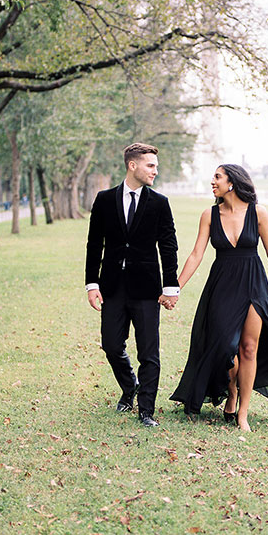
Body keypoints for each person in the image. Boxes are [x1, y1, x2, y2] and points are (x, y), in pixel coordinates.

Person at [170, 164, 268, 432]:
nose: (213, 181)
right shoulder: (209, 215)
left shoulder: (258, 213)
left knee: (248, 348)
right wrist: (176, 287)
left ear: (232, 182)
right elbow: (196, 254)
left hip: (254, 284)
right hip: (222, 285)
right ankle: (231, 389)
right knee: (223, 346)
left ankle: (242, 412)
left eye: (217, 177)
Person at [85, 143, 179, 428]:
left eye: (156, 166)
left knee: (149, 351)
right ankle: (130, 385)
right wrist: (92, 283)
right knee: (112, 345)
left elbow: (168, 246)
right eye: (151, 166)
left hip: (147, 288)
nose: (155, 171)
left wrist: (171, 286)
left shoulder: (160, 203)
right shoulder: (103, 200)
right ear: (132, 165)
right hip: (112, 286)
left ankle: (146, 410)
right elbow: (94, 244)